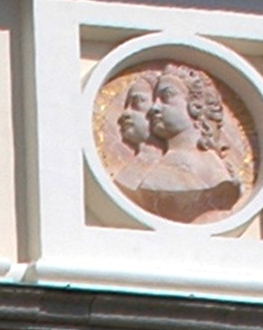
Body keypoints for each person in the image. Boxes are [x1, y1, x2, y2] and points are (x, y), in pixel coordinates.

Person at [103, 60, 248, 222]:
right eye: (155, 99)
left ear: (195, 105)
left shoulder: (216, 175)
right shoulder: (158, 167)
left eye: (166, 97)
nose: (154, 108)